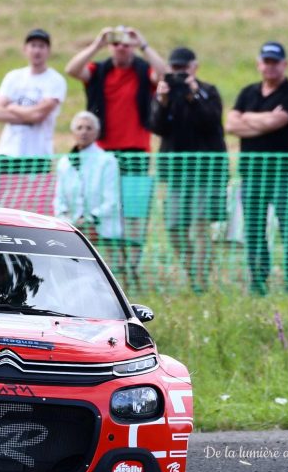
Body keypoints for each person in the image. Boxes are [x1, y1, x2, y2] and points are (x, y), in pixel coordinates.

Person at [65, 25, 166, 273]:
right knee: (99, 206)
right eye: (116, 43)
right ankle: (102, 264)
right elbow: (72, 69)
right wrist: (96, 45)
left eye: (126, 43)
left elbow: (165, 76)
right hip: (102, 153)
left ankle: (130, 264)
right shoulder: (99, 71)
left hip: (136, 151)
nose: (121, 48)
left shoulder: (143, 72)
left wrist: (144, 44)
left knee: (133, 211)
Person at [226, 42, 288, 295]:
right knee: (253, 230)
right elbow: (231, 124)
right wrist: (262, 119)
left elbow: (278, 121)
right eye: (266, 61)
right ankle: (258, 282)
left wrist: (247, 118)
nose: (270, 66)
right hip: (251, 173)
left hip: (282, 173)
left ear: (284, 64)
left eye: (275, 62)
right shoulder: (248, 92)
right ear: (259, 63)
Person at [149, 47, 227, 293]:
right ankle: (193, 271)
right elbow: (156, 127)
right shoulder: (166, 93)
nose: (180, 73)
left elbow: (212, 121)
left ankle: (200, 282)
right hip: (176, 173)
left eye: (184, 68)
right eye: (175, 68)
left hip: (206, 172)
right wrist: (162, 102)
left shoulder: (208, 91)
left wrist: (194, 96)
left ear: (195, 67)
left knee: (201, 226)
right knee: (174, 227)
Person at [0, 29, 66, 211]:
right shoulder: (14, 77)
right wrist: (28, 114)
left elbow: (39, 116)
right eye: (33, 46)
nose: (37, 51)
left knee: (33, 208)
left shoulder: (55, 80)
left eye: (41, 46)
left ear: (48, 50)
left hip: (37, 153)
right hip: (9, 151)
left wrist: (13, 107)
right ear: (25, 49)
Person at [53, 111, 123, 246]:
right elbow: (59, 199)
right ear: (73, 132)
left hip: (102, 227)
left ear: (97, 133)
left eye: (89, 128)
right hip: (70, 227)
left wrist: (89, 219)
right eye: (79, 128)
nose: (84, 132)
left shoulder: (108, 161)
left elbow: (112, 201)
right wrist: (66, 220)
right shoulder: (64, 162)